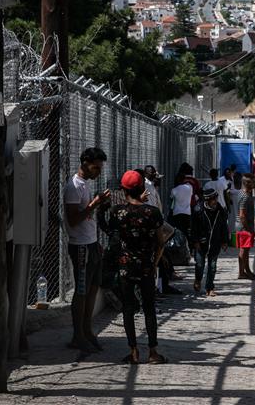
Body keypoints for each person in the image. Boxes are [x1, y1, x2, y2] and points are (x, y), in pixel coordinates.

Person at [108, 170, 167, 364]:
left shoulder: (117, 212)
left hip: (125, 265)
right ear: (142, 188)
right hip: (147, 266)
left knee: (128, 308)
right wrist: (156, 261)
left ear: (124, 190)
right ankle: (152, 352)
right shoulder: (152, 212)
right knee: (149, 308)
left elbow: (111, 232)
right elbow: (161, 241)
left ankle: (133, 352)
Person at [64, 147, 110, 352]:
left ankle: (87, 330)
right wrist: (94, 204)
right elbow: (73, 220)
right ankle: (77, 335)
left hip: (90, 243)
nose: (98, 171)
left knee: (92, 289)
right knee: (81, 291)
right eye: (95, 167)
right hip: (80, 245)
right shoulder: (74, 187)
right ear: (84, 163)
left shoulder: (84, 185)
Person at [191, 187, 229, 297]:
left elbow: (224, 226)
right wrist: (195, 241)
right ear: (207, 200)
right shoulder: (198, 210)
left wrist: (224, 241)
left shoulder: (220, 210)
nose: (215, 201)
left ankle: (209, 288)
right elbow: (193, 228)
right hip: (201, 242)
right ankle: (198, 280)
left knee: (212, 266)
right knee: (200, 265)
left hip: (215, 242)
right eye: (213, 199)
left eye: (216, 199)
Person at [235, 174, 255, 280]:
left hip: (243, 226)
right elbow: (242, 215)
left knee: (246, 250)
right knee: (243, 250)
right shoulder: (244, 196)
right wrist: (248, 228)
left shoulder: (244, 194)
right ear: (247, 183)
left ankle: (247, 270)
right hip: (244, 227)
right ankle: (241, 272)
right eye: (253, 182)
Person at [169, 172, 195, 243]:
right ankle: (187, 245)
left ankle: (179, 244)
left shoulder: (174, 190)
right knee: (187, 231)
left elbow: (171, 199)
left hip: (177, 213)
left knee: (178, 230)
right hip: (187, 213)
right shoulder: (190, 187)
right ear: (184, 179)